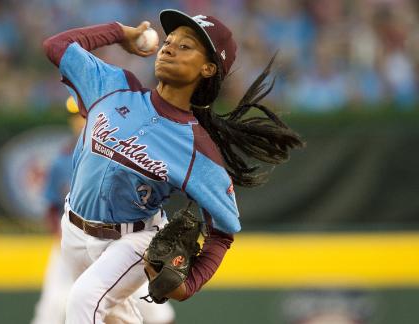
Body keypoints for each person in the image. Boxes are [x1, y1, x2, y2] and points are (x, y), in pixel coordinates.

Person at [42, 9, 304, 324]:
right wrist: (119, 32)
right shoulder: (113, 86)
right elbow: (57, 46)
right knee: (113, 317)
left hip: (131, 242)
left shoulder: (196, 147)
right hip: (72, 232)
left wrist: (190, 284)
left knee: (84, 301)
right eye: (169, 41)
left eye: (185, 46)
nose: (169, 47)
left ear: (208, 68)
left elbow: (224, 232)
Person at [31, 97, 176, 324]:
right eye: (76, 117)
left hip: (119, 240)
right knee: (53, 306)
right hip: (72, 239)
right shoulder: (61, 161)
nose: (80, 121)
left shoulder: (123, 153)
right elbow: (51, 206)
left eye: (84, 116)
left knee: (149, 305)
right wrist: (57, 232)